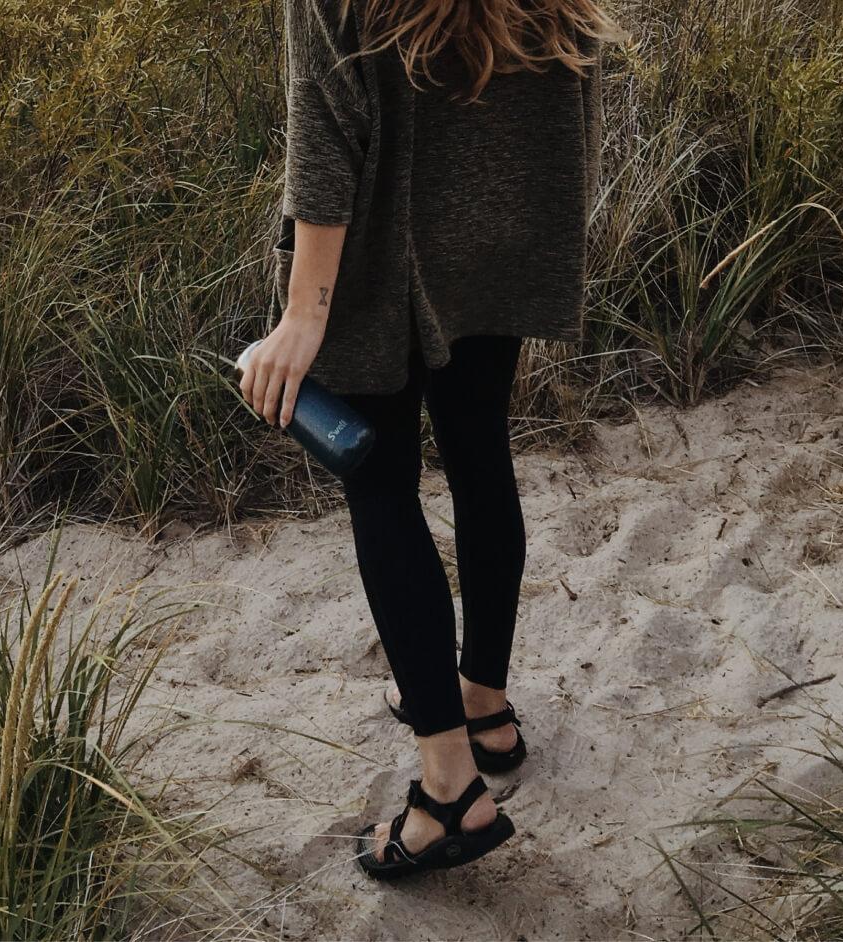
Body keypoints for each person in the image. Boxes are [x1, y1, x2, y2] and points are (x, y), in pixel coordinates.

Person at [239, 0, 617, 880]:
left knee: (381, 484)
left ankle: (449, 790)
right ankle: (485, 705)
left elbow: (325, 133)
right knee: (482, 449)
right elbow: (580, 88)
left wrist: (305, 313)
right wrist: (535, 232)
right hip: (505, 233)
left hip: (389, 250)